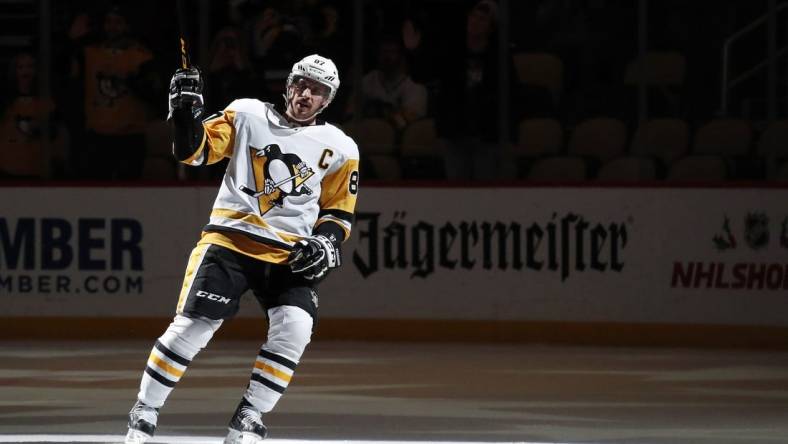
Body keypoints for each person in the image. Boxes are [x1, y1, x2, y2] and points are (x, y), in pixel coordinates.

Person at [124, 54, 359, 444]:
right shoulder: (247, 113)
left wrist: (326, 240)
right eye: (301, 84)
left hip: (289, 255)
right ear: (288, 85)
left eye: (317, 91)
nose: (305, 95)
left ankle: (250, 415)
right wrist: (184, 115)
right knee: (193, 327)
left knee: (296, 329)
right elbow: (194, 152)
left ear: (328, 100)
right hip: (229, 241)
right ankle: (145, 409)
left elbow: (338, 211)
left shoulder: (341, 147)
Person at [360, 36, 428, 130]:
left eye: (392, 52)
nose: (387, 57)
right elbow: (351, 114)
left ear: (402, 56)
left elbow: (406, 123)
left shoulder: (415, 87)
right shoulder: (368, 80)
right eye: (383, 52)